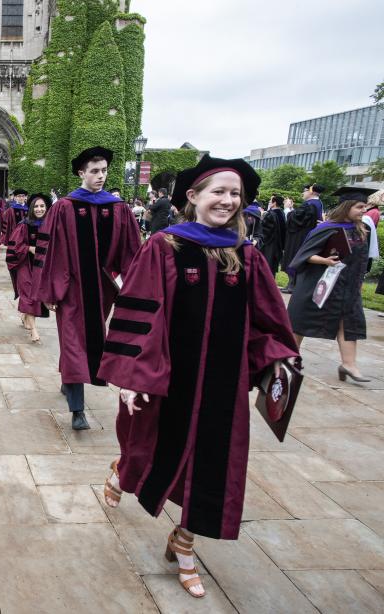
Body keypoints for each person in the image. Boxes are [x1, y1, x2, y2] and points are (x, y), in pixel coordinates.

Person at [97, 155, 299, 599]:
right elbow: (139, 310)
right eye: (218, 192)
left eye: (235, 194)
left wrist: (276, 362)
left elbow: (269, 320)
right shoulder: (166, 246)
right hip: (168, 380)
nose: (227, 200)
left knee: (215, 468)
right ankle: (120, 470)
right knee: (147, 449)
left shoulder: (246, 255)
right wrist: (131, 375)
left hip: (224, 388)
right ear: (193, 197)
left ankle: (184, 544)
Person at [34, 146, 141, 430]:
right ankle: (77, 410)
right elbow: (51, 251)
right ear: (82, 173)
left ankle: (67, 382)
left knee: (89, 340)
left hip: (103, 292)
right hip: (71, 289)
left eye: (104, 170)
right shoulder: (64, 208)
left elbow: (131, 250)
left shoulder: (118, 208)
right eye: (95, 171)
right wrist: (51, 291)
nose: (101, 176)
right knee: (71, 342)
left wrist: (129, 285)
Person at [286, 186, 375, 382]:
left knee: (348, 323)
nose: (364, 210)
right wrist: (325, 260)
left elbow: (362, 261)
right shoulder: (327, 228)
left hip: (347, 286)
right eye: (360, 206)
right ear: (347, 207)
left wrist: (358, 283)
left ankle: (349, 365)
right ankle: (290, 357)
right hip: (320, 283)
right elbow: (304, 256)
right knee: (301, 320)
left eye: (365, 207)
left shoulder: (361, 230)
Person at [6, 193, 50, 342]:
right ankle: (34, 330)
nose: (39, 209)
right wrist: (29, 248)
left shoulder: (51, 225)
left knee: (35, 296)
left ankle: (26, 315)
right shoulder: (24, 225)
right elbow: (15, 245)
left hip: (42, 268)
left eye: (42, 206)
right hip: (25, 264)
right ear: (31, 208)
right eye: (36, 206)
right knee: (28, 294)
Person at [280, 185, 324, 293]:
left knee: (295, 258)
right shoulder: (317, 204)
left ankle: (292, 285)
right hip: (305, 236)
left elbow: (296, 219)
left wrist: (287, 208)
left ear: (312, 192)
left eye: (304, 191)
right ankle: (291, 284)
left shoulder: (310, 205)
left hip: (299, 238)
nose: (302, 193)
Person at [258, 194, 287, 273]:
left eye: (270, 201)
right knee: (272, 265)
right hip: (278, 244)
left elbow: (265, 230)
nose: (269, 203)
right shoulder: (281, 213)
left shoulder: (271, 214)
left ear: (274, 203)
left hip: (270, 244)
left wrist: (262, 215)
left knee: (267, 264)